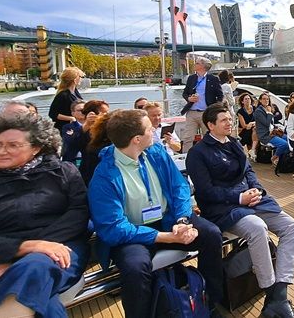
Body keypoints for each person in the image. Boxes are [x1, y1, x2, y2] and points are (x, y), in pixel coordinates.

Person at [0, 113, 89, 318]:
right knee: (44, 303)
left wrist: (21, 260)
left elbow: (78, 216)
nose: (1, 151)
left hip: (60, 249)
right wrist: (25, 248)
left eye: (12, 145)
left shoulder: (64, 173)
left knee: (36, 265)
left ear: (37, 148)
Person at [87, 109, 224, 317]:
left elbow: (179, 187)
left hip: (170, 221)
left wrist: (182, 220)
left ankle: (210, 303)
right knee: (135, 268)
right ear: (136, 139)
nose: (154, 131)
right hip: (133, 234)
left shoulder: (156, 152)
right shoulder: (104, 177)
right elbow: (113, 229)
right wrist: (165, 237)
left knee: (211, 235)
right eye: (150, 129)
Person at [187, 103, 294, 318]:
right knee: (258, 228)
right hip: (223, 208)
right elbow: (205, 192)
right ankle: (272, 292)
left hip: (250, 201)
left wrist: (256, 189)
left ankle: (277, 297)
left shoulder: (234, 143)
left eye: (230, 118)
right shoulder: (198, 153)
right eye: (224, 120)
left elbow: (248, 170)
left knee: (290, 226)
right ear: (210, 125)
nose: (230, 122)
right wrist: (238, 197)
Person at [180, 57, 224, 152]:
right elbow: (185, 93)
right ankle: (186, 157)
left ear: (203, 66)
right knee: (188, 137)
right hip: (192, 112)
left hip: (206, 113)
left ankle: (209, 156)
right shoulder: (191, 78)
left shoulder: (213, 79)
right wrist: (189, 98)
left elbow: (220, 96)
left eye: (197, 63)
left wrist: (214, 110)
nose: (194, 65)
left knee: (208, 136)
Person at [254, 92, 290, 167]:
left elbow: (271, 124)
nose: (266, 100)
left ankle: (282, 159)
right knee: (284, 144)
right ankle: (274, 158)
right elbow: (266, 123)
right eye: (264, 99)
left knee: (289, 140)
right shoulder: (258, 111)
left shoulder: (268, 108)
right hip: (265, 135)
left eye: (267, 99)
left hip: (273, 133)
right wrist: (269, 113)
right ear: (260, 100)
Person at [48, 67, 85, 131]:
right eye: (80, 77)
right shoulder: (63, 95)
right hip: (65, 129)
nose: (81, 79)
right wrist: (71, 118)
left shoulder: (75, 91)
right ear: (75, 79)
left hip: (76, 126)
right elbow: (52, 114)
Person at [61, 99, 87, 165]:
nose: (83, 112)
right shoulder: (67, 127)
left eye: (85, 110)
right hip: (73, 159)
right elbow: (69, 142)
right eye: (80, 110)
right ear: (73, 113)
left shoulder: (95, 126)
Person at [237, 92, 258, 160]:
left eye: (249, 99)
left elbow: (259, 120)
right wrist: (249, 125)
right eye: (245, 99)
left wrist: (252, 123)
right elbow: (244, 125)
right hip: (244, 130)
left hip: (254, 128)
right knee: (249, 132)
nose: (247, 100)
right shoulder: (240, 112)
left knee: (253, 130)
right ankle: (251, 151)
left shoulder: (255, 109)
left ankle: (251, 152)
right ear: (242, 101)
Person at [219, 70, 238, 135]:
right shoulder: (227, 86)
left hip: (220, 110)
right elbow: (232, 102)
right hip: (229, 110)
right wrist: (235, 98)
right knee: (229, 130)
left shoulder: (220, 86)